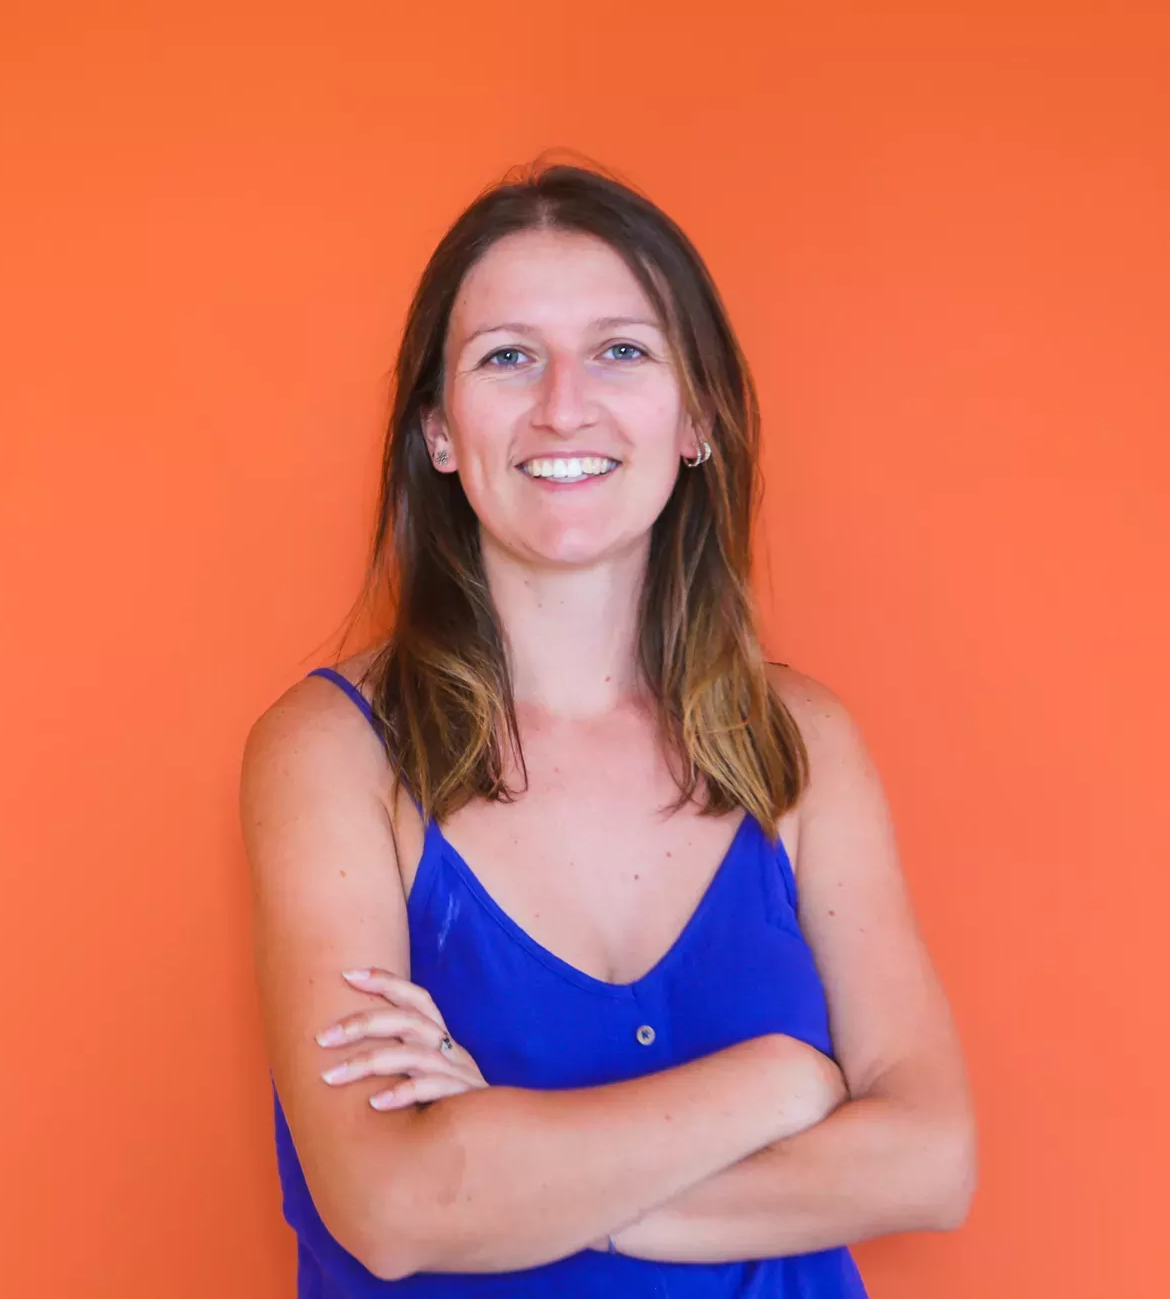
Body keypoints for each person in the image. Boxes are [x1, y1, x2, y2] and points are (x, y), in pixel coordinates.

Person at [239, 160, 974, 1296]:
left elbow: (931, 1159)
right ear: (438, 431)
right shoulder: (328, 753)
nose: (562, 406)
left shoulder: (802, 745)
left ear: (697, 420)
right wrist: (780, 1084)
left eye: (620, 351)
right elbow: (390, 1209)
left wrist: (512, 1177)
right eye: (506, 357)